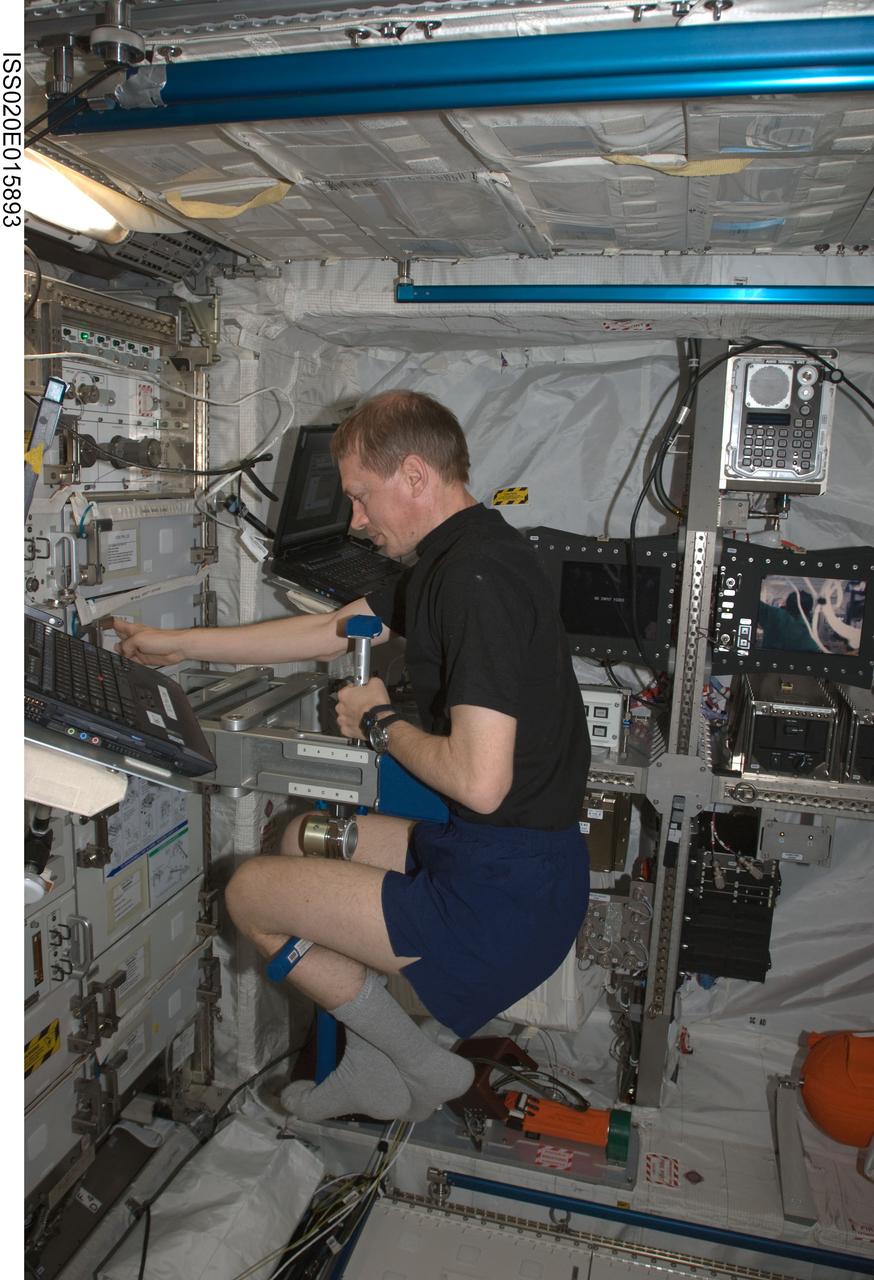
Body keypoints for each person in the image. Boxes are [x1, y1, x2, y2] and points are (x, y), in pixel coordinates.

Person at [113, 389, 591, 1123]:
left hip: (504, 899)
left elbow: (480, 782)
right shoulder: (464, 552)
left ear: (413, 474)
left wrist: (379, 722)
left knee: (248, 896)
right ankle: (380, 1054)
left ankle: (412, 1059)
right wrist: (182, 644)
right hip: (518, 864)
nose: (357, 523)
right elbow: (338, 629)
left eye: (362, 499)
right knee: (295, 839)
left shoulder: (474, 582)